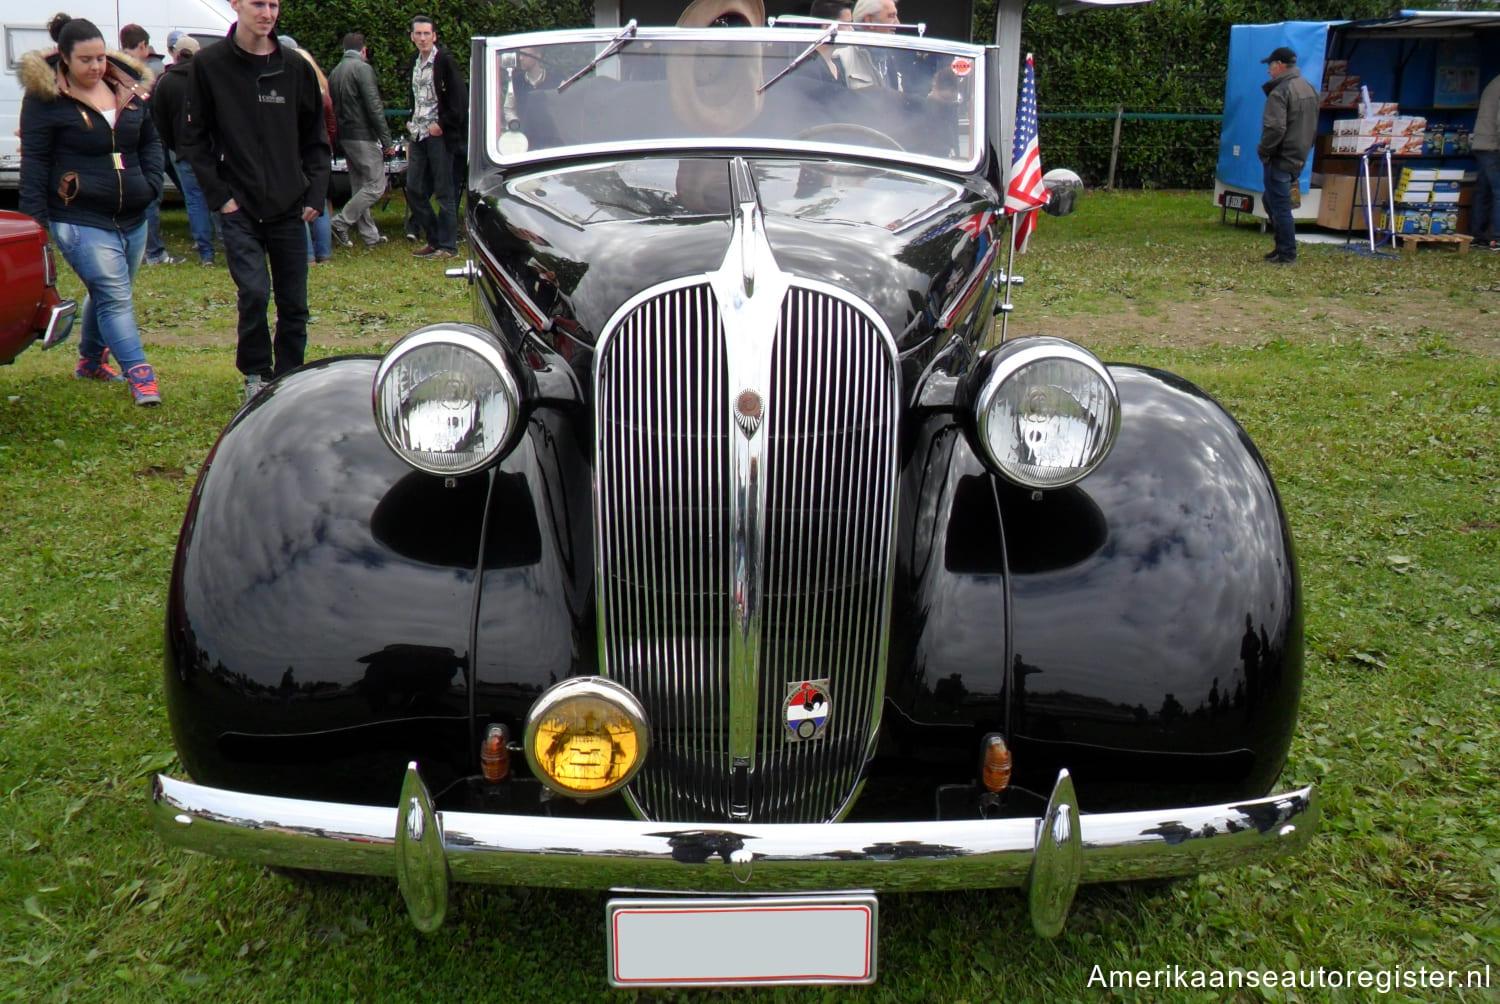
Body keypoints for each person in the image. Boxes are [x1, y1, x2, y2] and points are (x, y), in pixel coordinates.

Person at [180, 0, 330, 402]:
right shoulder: (209, 66)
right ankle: (256, 373)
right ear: (236, 5)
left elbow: (316, 138)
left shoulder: (295, 68)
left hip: (288, 205)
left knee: (294, 302)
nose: (267, 13)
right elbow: (193, 139)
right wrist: (221, 197)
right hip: (239, 206)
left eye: (274, 5)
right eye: (257, 4)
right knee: (255, 293)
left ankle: (290, 377)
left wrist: (315, 191)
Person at [19, 14, 163, 405]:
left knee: (108, 293)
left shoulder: (128, 88)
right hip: (78, 216)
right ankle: (141, 377)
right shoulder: (44, 98)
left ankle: (89, 361)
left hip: (132, 215)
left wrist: (151, 183)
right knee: (115, 296)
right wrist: (36, 228)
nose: (96, 66)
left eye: (100, 57)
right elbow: (34, 164)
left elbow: (149, 139)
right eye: (85, 59)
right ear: (64, 58)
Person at [401, 14, 467, 261]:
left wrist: (443, 124)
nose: (422, 38)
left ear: (434, 36)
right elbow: (414, 96)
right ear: (412, 37)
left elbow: (460, 99)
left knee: (443, 191)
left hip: (439, 135)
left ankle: (448, 246)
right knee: (414, 189)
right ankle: (434, 237)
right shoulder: (414, 62)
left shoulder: (444, 61)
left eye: (426, 33)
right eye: (418, 33)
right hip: (418, 132)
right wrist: (410, 120)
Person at [150, 35, 216, 266]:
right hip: (209, 149)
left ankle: (206, 252)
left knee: (195, 200)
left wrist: (174, 144)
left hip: (183, 150)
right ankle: (228, 242)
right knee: (218, 195)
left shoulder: (165, 82)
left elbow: (160, 120)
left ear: (175, 54)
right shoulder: (208, 79)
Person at [120, 23, 180, 265]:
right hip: (144, 142)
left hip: (123, 145)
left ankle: (136, 248)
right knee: (150, 197)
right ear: (143, 45)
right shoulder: (142, 73)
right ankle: (153, 251)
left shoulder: (112, 70)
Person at [329, 32, 395, 249]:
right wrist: (387, 141)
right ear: (364, 50)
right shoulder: (362, 69)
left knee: (360, 186)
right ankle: (340, 222)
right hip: (362, 135)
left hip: (345, 136)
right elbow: (374, 106)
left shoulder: (336, 72)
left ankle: (370, 236)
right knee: (377, 185)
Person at [1256, 45, 1317, 265]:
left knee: (1280, 206)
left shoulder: (1280, 91)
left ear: (1280, 65)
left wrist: (1264, 150)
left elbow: (1275, 128)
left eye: (1271, 66)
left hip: (1280, 156)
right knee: (1270, 200)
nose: (1268, 71)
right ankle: (1281, 246)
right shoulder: (1308, 88)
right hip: (1298, 155)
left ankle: (1287, 252)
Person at [281, 38, 335, 266]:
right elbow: (331, 124)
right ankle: (324, 251)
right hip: (317, 151)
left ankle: (308, 254)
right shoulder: (321, 89)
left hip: (294, 150)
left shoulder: (287, 86)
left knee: (296, 200)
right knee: (318, 199)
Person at [834, 0, 900, 91]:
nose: (898, 23)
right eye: (891, 16)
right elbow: (835, 102)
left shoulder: (889, 57)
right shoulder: (840, 57)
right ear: (869, 21)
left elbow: (898, 100)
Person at [1471, 72, 1500, 252]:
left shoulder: (1494, 81)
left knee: (1484, 192)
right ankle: (1497, 237)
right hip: (1493, 146)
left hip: (1482, 143)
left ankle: (1477, 236)